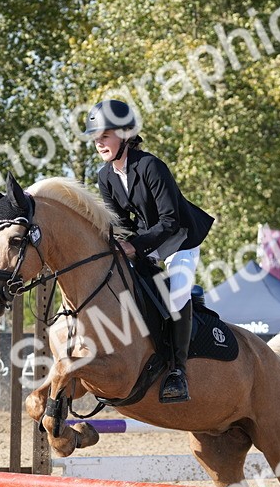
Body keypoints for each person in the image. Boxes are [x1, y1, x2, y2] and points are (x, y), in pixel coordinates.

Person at [86, 99, 214, 404]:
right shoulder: (105, 176)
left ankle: (178, 372)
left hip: (180, 240)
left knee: (178, 293)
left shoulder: (151, 166)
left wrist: (135, 246)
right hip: (146, 242)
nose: (98, 142)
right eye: (95, 138)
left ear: (125, 134)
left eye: (105, 135)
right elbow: (120, 222)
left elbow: (170, 220)